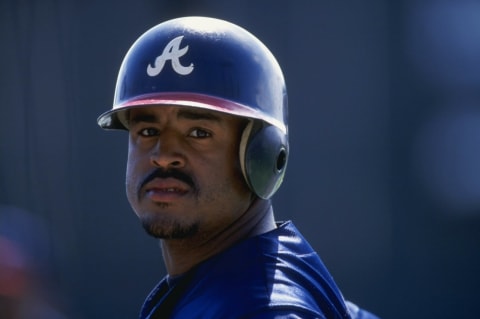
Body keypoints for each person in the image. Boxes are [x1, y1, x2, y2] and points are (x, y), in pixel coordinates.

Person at [97, 16, 379, 319]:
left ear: (263, 155)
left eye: (198, 133)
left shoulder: (266, 309)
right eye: (148, 132)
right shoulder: (252, 283)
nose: (163, 156)